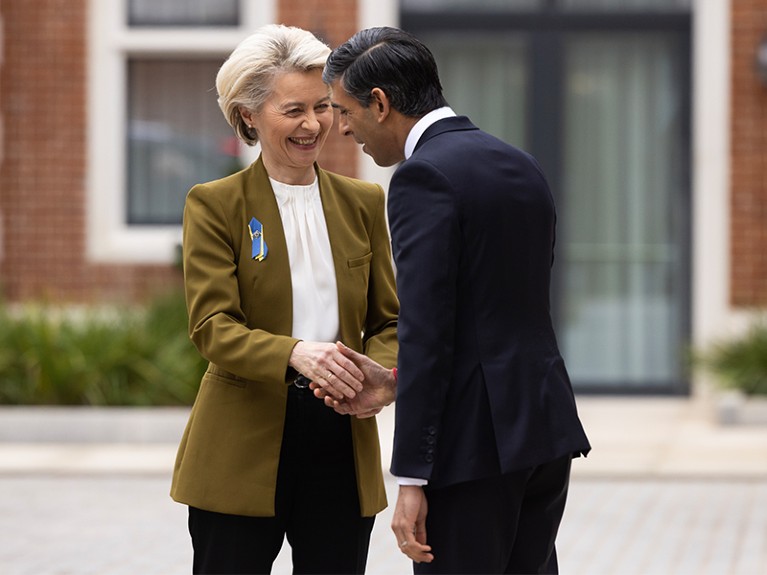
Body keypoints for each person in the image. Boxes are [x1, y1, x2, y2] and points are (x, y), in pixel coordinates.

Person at [322, 26, 591, 574]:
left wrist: (412, 477)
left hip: (471, 451)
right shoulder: (520, 163)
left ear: (380, 102)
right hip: (542, 431)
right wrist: (395, 383)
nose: (343, 128)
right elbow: (493, 311)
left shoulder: (422, 176)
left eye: (344, 111)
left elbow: (427, 329)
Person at [169, 24, 399, 575]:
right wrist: (296, 352)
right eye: (293, 109)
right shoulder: (214, 204)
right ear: (248, 115)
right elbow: (212, 327)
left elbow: (388, 320)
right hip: (240, 445)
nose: (314, 124)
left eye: (323, 106)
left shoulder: (363, 202)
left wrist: (382, 378)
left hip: (341, 437)